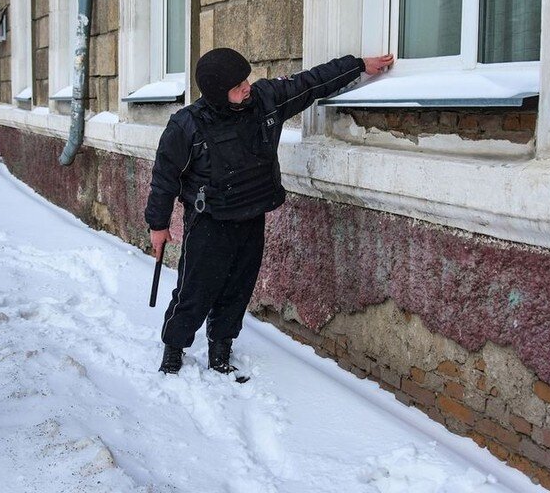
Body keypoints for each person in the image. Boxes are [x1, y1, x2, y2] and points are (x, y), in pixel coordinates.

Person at [146, 48, 394, 375]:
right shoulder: (187, 125)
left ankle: (221, 344)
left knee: (238, 287)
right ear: (218, 94)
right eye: (236, 86)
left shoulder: (265, 100)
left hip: (252, 215)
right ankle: (175, 345)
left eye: (245, 79)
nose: (246, 86)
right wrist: (158, 224)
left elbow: (311, 83)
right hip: (209, 222)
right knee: (195, 288)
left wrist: (358, 66)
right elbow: (165, 178)